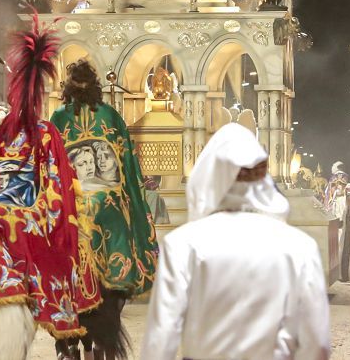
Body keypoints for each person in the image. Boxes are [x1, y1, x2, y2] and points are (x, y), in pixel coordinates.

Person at [0, 20, 100, 358]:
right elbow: (59, 188)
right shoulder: (46, 133)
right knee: (67, 250)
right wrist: (64, 231)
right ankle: (65, 331)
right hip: (23, 216)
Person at [141, 123, 331, 360]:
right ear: (262, 176)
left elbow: (161, 336)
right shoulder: (299, 246)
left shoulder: (183, 244)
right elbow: (317, 342)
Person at [50, 61, 158, 360]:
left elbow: (47, 169)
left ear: (68, 87)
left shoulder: (57, 119)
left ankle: (68, 344)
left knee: (61, 272)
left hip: (74, 212)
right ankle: (103, 344)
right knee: (114, 275)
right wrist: (136, 210)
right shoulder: (111, 115)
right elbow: (130, 169)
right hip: (111, 210)